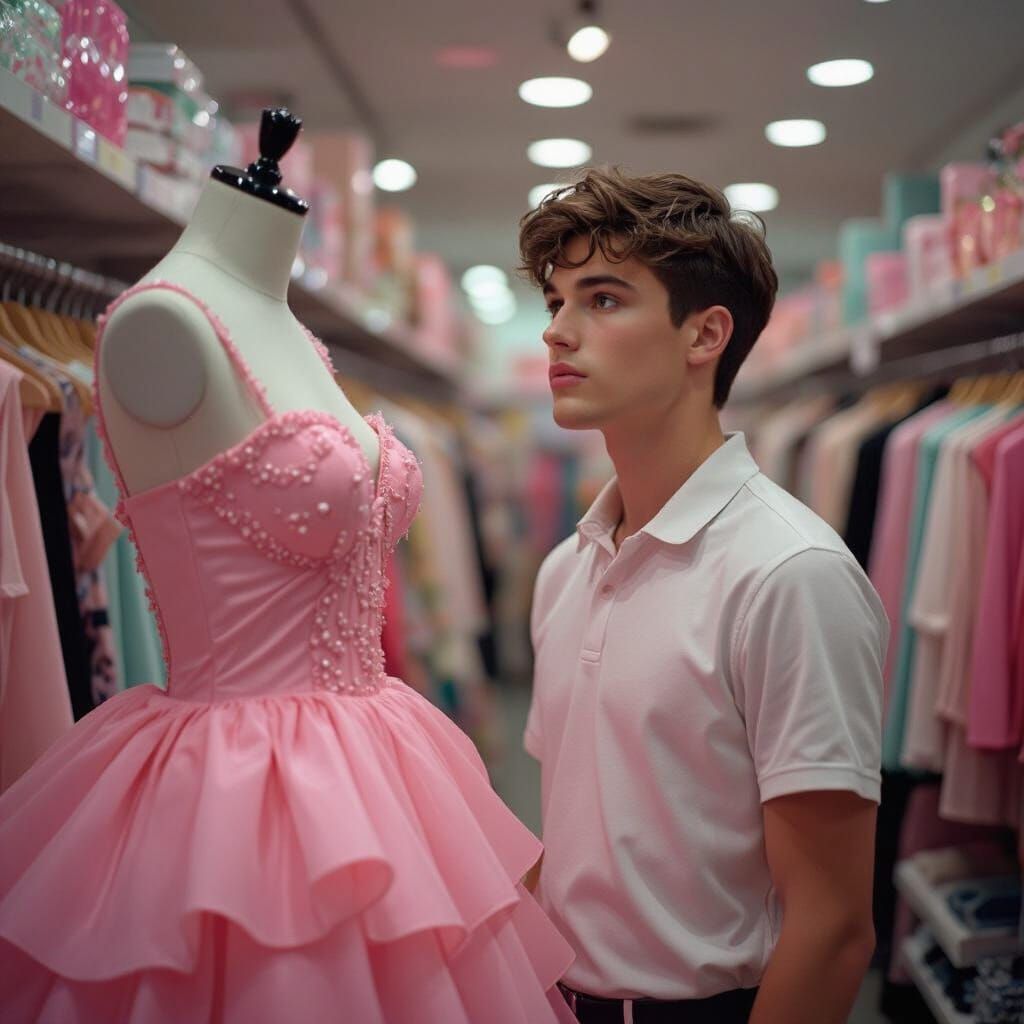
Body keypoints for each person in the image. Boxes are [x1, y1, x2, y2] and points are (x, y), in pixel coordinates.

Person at [519, 168, 887, 1024]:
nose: (558, 334)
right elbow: (565, 834)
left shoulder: (790, 575)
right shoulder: (565, 569)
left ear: (705, 335)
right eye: (554, 302)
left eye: (602, 300)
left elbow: (832, 928)